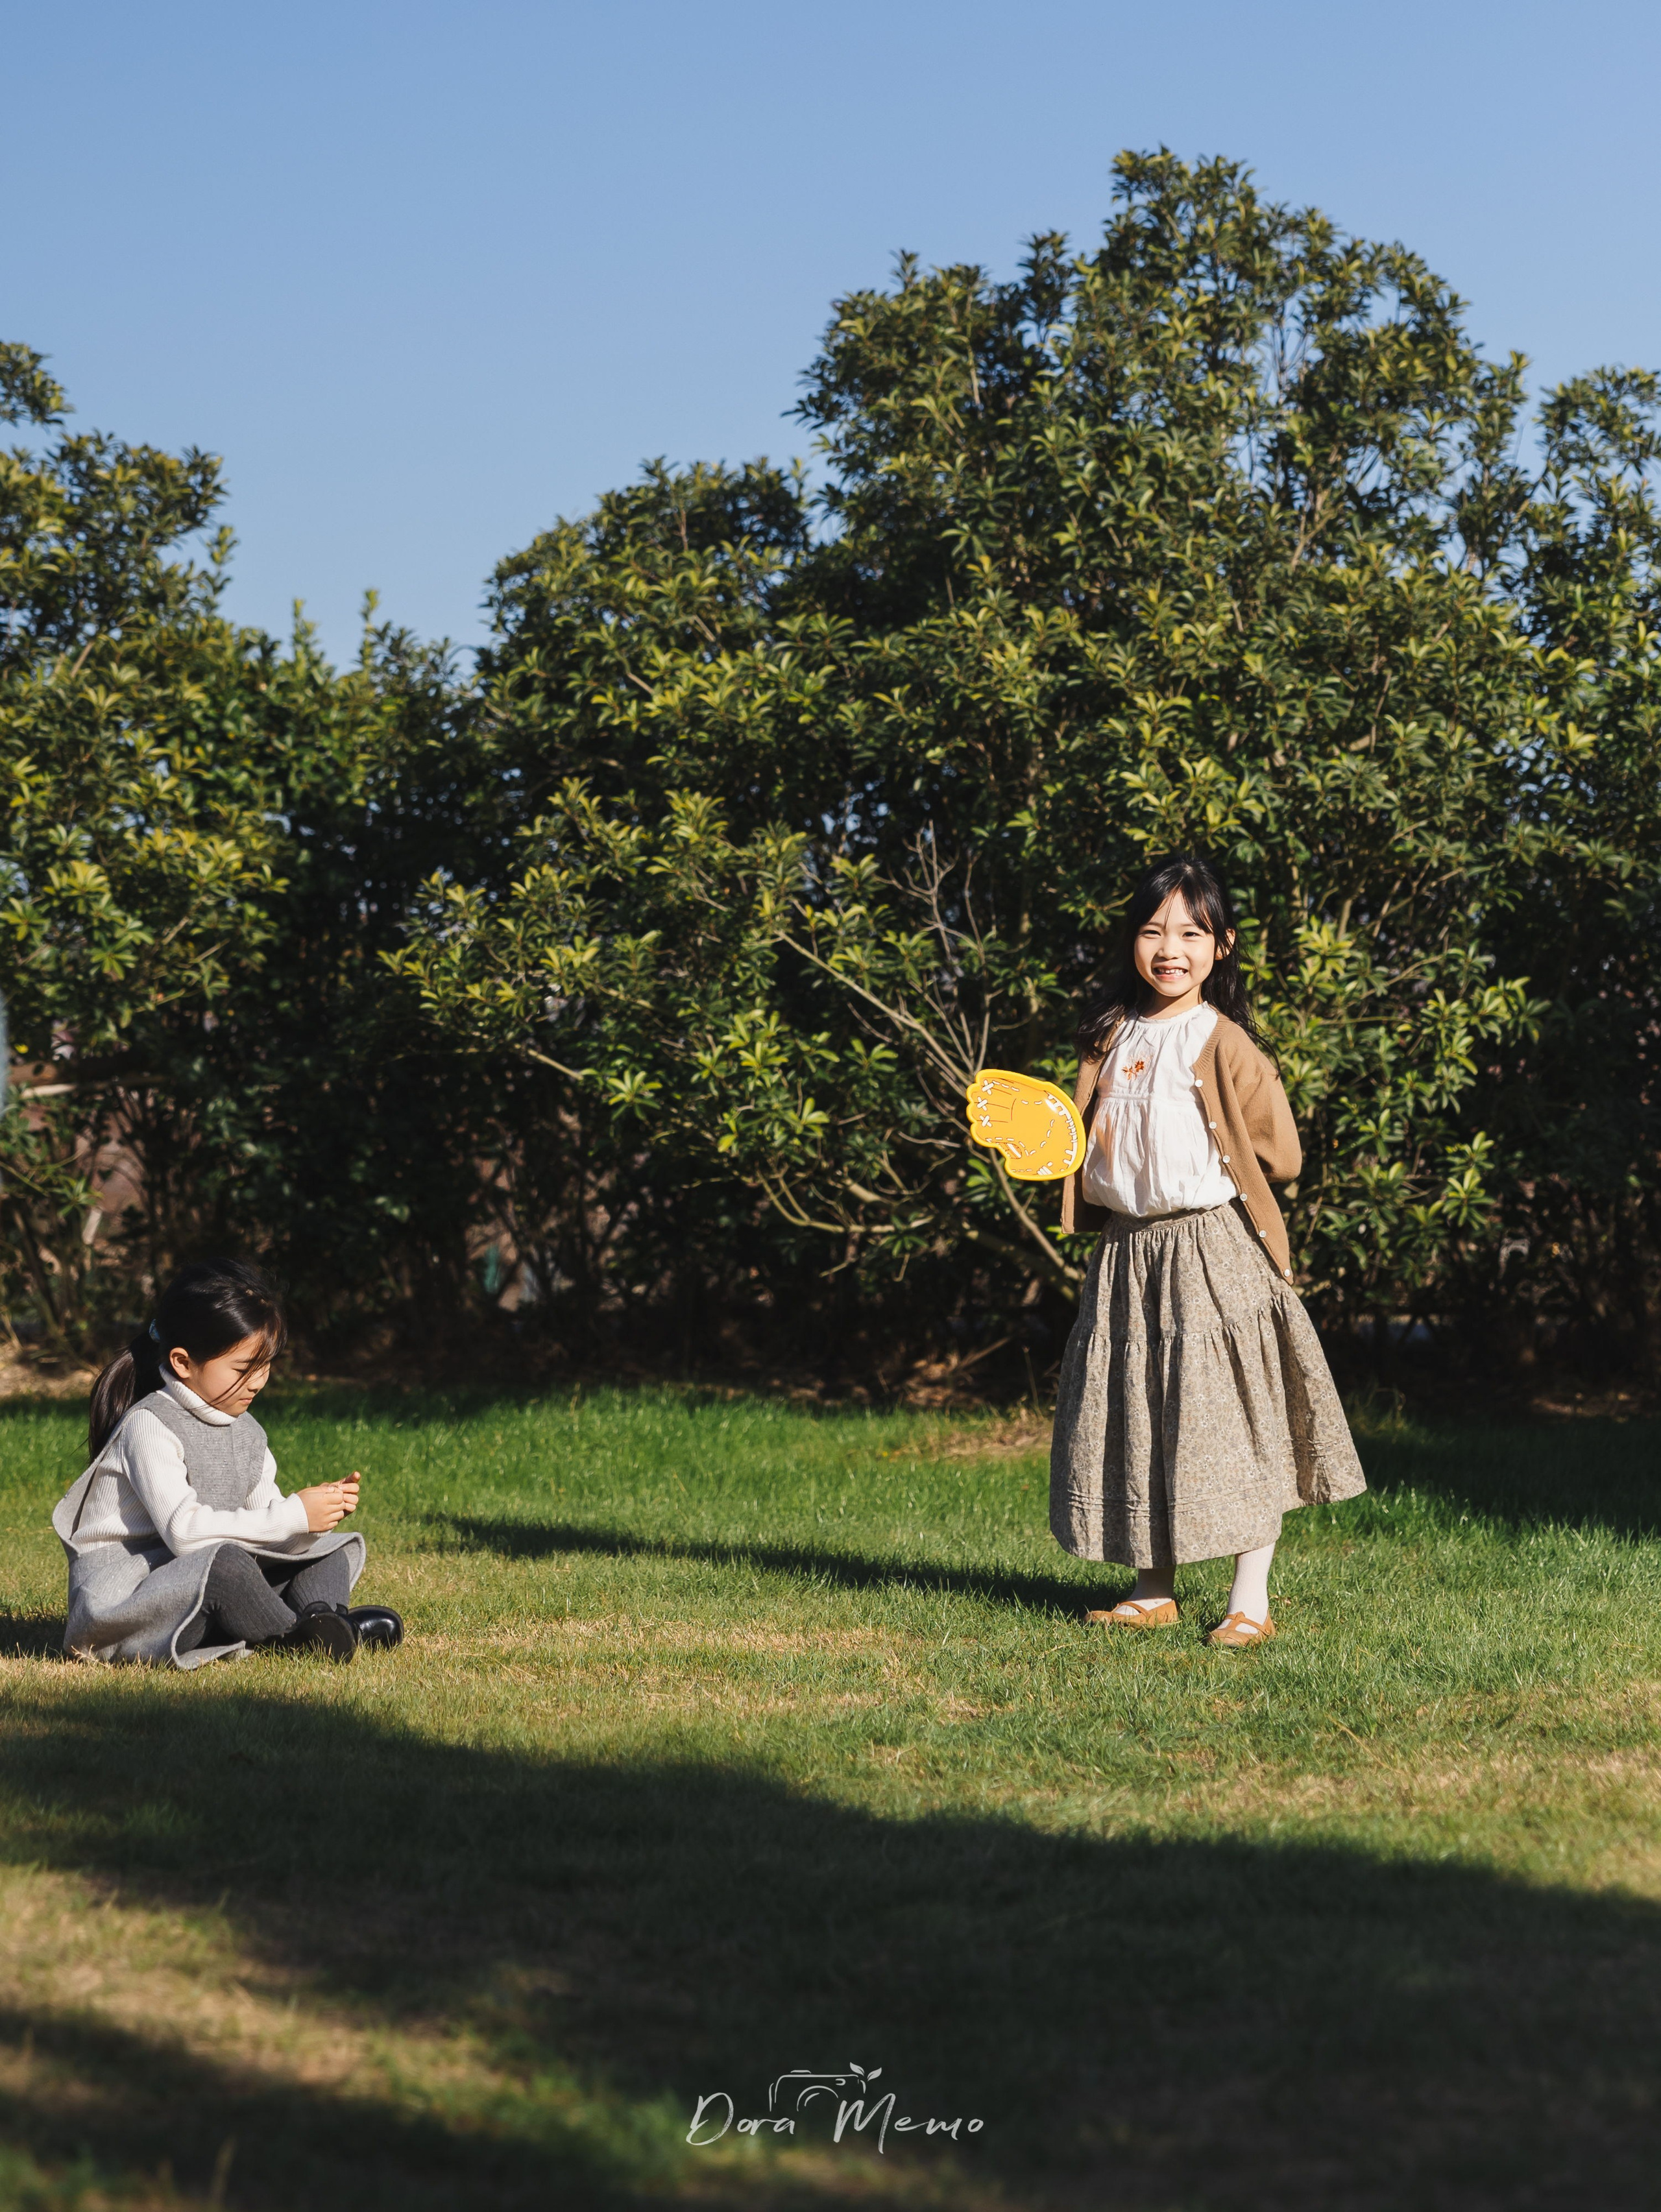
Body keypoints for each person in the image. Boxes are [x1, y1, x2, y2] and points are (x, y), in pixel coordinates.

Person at [1050, 855, 1365, 1646]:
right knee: (1138, 1412)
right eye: (1154, 930)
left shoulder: (1222, 1041)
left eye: (1191, 932)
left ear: (1220, 945)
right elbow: (1082, 1146)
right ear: (1132, 940)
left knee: (1232, 1422)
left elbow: (1282, 1154)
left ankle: (1247, 1601)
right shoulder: (1107, 1036)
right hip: (1126, 1252)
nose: (1170, 948)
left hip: (1209, 1248)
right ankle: (1150, 1589)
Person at [54, 1259, 404, 1668]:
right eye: (243, 1368)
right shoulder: (149, 1425)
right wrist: (291, 1513)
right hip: (127, 1602)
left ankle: (323, 1620)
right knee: (226, 1565)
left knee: (326, 1552)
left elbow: (268, 1535)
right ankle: (295, 1638)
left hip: (194, 1587)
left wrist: (309, 1524)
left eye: (267, 1365)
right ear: (183, 1362)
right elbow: (185, 1535)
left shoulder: (248, 1432)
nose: (258, 1381)